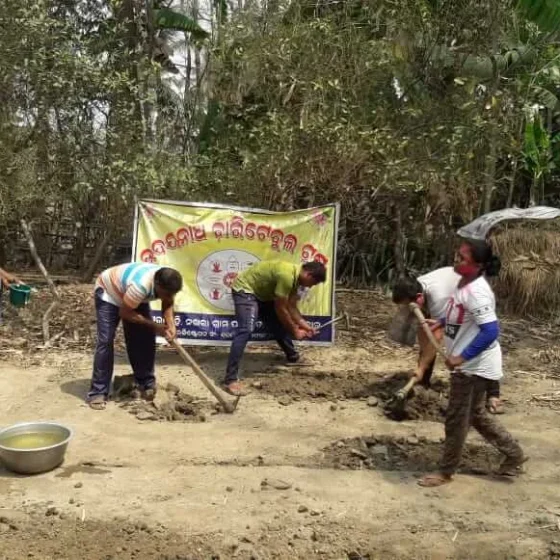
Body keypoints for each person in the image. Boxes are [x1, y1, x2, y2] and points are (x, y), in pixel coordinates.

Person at [418, 240, 526, 487]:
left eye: (463, 259)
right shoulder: (464, 283)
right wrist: (441, 322)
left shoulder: (477, 291)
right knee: (476, 414)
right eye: (457, 256)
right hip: (469, 363)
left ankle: (446, 472)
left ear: (478, 266)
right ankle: (514, 454)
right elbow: (460, 312)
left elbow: (490, 331)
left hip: (474, 365)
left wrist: (461, 357)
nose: (457, 262)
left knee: (456, 418)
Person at [392, 269, 504, 414]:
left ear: (419, 298)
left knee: (477, 340)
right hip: (454, 294)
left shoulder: (438, 298)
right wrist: (422, 364)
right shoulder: (415, 286)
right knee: (434, 344)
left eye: (408, 306)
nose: (407, 310)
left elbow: (436, 337)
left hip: (471, 296)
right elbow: (425, 334)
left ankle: (493, 394)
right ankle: (424, 382)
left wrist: (421, 367)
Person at [87, 263, 183, 410]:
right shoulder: (141, 286)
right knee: (105, 341)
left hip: (131, 296)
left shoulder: (166, 282)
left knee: (144, 338)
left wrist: (171, 326)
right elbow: (125, 313)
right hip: (110, 293)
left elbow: (168, 303)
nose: (169, 296)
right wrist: (153, 325)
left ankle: (146, 382)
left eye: (172, 294)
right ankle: (98, 392)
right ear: (157, 284)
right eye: (167, 293)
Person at [224, 260, 327, 396]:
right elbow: (281, 309)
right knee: (246, 330)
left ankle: (293, 357)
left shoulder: (296, 279)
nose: (311, 286)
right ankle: (230, 380)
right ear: (309, 275)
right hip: (245, 290)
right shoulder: (287, 276)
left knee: (277, 324)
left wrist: (306, 326)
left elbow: (291, 307)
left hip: (262, 295)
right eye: (313, 284)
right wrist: (295, 331)